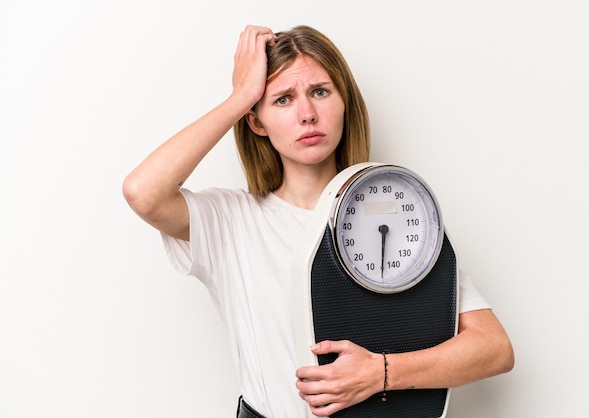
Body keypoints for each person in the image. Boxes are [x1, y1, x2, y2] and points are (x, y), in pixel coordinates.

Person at [123, 24, 514, 418]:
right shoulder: (230, 221)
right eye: (282, 99)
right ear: (256, 122)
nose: (307, 114)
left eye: (320, 92)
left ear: (345, 102)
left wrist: (380, 373)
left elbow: (493, 348)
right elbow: (143, 192)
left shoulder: (404, 217)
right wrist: (240, 96)